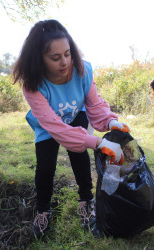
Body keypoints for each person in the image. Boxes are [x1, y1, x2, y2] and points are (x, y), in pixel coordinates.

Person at [13, 19, 130, 239]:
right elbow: (56, 127)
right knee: (46, 167)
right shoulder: (33, 85)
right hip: (48, 125)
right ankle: (43, 210)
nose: (65, 62)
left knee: (80, 156)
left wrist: (110, 122)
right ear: (39, 59)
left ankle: (86, 202)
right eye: (55, 58)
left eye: (67, 53)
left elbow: (94, 104)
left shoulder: (82, 70)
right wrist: (98, 143)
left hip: (76, 114)